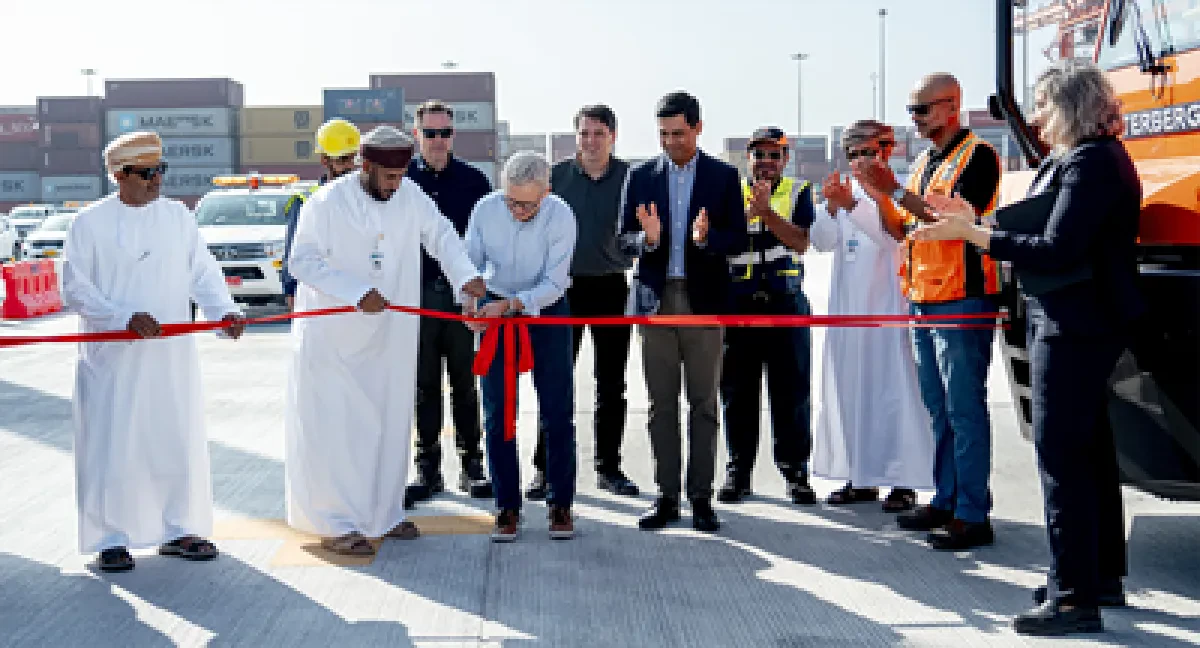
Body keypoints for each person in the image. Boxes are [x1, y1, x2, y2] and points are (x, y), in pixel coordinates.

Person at [916, 60, 1140, 636]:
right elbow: (1043, 226)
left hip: (1072, 325)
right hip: (1073, 321)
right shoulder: (1087, 161)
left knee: (1062, 456)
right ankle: (1096, 577)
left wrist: (975, 236)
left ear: (1071, 106)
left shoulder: (1091, 164)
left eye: (1043, 105)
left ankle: (1072, 598)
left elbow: (1057, 247)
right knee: (1088, 454)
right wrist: (979, 221)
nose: (1036, 117)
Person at [284, 126, 486, 556]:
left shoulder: (409, 195)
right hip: (334, 339)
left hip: (389, 334)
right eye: (388, 177)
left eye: (401, 176)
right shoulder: (327, 203)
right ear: (366, 165)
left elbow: (441, 234)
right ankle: (334, 522)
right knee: (340, 429)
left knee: (389, 421)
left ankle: (382, 514)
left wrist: (464, 275)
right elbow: (301, 261)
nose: (396, 185)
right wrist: (354, 292)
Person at [63, 131, 247, 572]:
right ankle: (110, 538)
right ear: (118, 175)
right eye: (147, 174)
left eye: (161, 171)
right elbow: (74, 289)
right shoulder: (88, 223)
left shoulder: (178, 218)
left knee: (174, 439)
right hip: (112, 361)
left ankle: (178, 529)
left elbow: (203, 272)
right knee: (113, 448)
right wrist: (119, 318)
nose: (157, 181)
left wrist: (223, 312)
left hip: (170, 357)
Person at [854, 72, 1002, 551]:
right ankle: (947, 498)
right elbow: (902, 228)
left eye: (922, 110)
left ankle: (972, 514)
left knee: (964, 408)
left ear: (951, 106)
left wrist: (894, 190)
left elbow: (952, 222)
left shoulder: (978, 157)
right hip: (923, 296)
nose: (914, 120)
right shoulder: (923, 161)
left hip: (962, 297)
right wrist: (880, 195)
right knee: (938, 410)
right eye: (911, 111)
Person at [619, 91, 748, 533]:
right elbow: (621, 242)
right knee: (660, 406)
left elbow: (739, 240)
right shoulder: (639, 176)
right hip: (656, 302)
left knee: (704, 404)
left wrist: (704, 241)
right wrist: (648, 240)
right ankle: (666, 496)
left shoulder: (724, 177)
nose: (670, 142)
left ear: (697, 127)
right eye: (663, 134)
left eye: (678, 133)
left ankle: (701, 499)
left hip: (704, 302)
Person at [810, 120, 933, 511]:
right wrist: (831, 207)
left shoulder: (900, 192)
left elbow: (893, 236)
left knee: (893, 397)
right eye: (854, 154)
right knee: (850, 396)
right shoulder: (842, 191)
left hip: (888, 312)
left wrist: (857, 204)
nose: (862, 161)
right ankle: (860, 477)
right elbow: (822, 242)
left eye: (869, 152)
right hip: (848, 315)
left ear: (887, 151)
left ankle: (901, 482)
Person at [464, 151, 578, 542]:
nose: (517, 211)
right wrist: (471, 305)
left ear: (546, 192)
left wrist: (513, 305)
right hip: (495, 314)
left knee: (557, 412)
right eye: (511, 201)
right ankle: (506, 506)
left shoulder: (561, 215)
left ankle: (560, 502)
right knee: (498, 413)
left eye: (527, 204)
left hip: (545, 314)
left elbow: (556, 282)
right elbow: (472, 268)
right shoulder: (485, 210)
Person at [526, 104, 638, 501]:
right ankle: (545, 469)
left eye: (599, 133)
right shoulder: (555, 178)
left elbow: (642, 233)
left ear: (613, 136)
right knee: (555, 382)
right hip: (562, 292)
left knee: (612, 384)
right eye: (584, 133)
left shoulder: (630, 178)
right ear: (575, 137)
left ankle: (609, 467)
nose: (591, 142)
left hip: (611, 290)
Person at [718, 126, 817, 506]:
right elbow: (724, 241)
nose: (766, 162)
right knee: (737, 394)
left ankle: (796, 474)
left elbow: (801, 241)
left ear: (785, 159)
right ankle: (738, 472)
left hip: (785, 305)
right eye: (759, 155)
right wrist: (749, 213)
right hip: (740, 307)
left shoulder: (799, 192)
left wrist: (767, 214)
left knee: (791, 393)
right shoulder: (731, 192)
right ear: (749, 158)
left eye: (774, 155)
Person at [404, 100, 495, 506]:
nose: (438, 141)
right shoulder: (402, 182)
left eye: (445, 133)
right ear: (416, 135)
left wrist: (482, 293)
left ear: (453, 135)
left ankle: (472, 465)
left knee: (465, 384)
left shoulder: (475, 182)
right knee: (424, 388)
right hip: (417, 297)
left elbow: (488, 244)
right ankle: (427, 469)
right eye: (430, 133)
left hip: (462, 299)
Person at [280, 118, 361, 310]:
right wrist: (291, 291)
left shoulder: (367, 200)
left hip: (360, 295)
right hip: (320, 299)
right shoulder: (305, 200)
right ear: (324, 159)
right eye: (342, 160)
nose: (350, 166)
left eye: (353, 159)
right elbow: (293, 252)